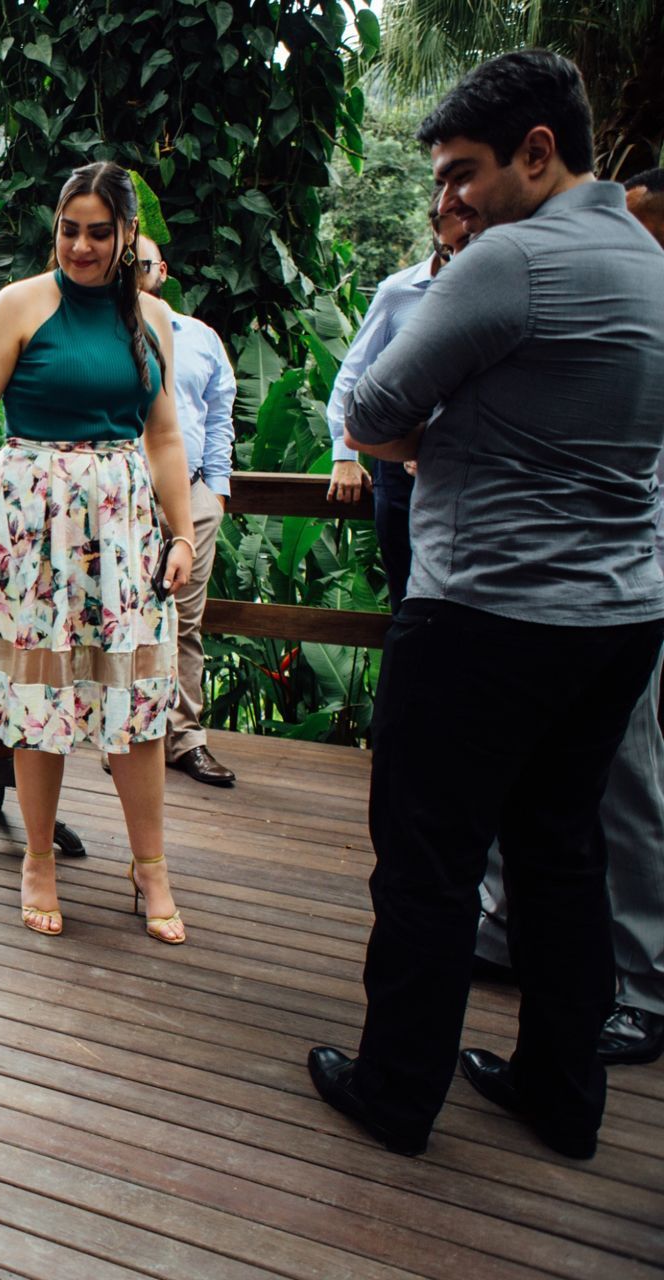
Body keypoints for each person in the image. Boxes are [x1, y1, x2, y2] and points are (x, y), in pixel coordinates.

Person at [310, 51, 664, 1160]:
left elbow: (368, 406)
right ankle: (563, 1091)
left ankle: (396, 1089)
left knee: (428, 855)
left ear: (538, 152)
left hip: (484, 612)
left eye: (465, 171)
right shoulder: (650, 260)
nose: (451, 197)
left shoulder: (508, 259)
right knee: (563, 852)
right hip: (617, 619)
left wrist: (439, 440)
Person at [0, 161, 193, 944]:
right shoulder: (19, 305)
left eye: (98, 232)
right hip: (25, 521)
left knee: (139, 703)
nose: (81, 246)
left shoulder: (151, 318)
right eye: (69, 230)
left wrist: (180, 534)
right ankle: (37, 859)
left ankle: (151, 867)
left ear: (127, 236)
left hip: (121, 524)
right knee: (37, 698)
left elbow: (166, 433)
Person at [473, 165, 664, 1068]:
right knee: (527, 778)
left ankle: (646, 986)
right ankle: (505, 932)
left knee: (625, 786)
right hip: (544, 592)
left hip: (623, 591)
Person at [323, 193, 473, 610]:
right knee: (407, 599)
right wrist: (344, 455)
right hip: (398, 473)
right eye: (450, 245)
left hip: (468, 473)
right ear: (435, 228)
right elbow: (353, 376)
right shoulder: (399, 292)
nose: (459, 254)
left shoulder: (500, 291)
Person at [130, 235, 237, 787]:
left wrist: (213, 493)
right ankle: (126, 734)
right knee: (124, 618)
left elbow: (219, 416)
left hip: (190, 495)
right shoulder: (102, 335)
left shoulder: (200, 339)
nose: (133, 269)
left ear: (162, 270)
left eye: (141, 262)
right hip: (123, 499)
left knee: (186, 622)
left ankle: (185, 739)